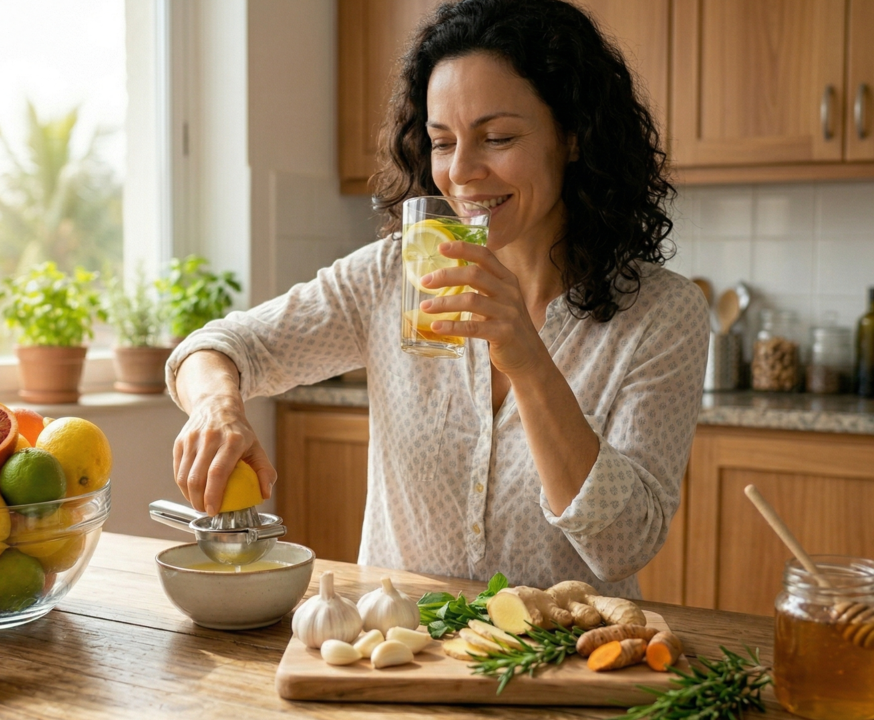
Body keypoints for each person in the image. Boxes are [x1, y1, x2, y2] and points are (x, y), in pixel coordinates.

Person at [164, 0, 708, 595]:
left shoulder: (662, 314)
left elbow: (623, 546)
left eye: (497, 137)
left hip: (562, 649)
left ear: (574, 135)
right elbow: (220, 348)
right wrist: (216, 406)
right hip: (399, 641)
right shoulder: (392, 275)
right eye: (443, 142)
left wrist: (529, 362)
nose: (462, 171)